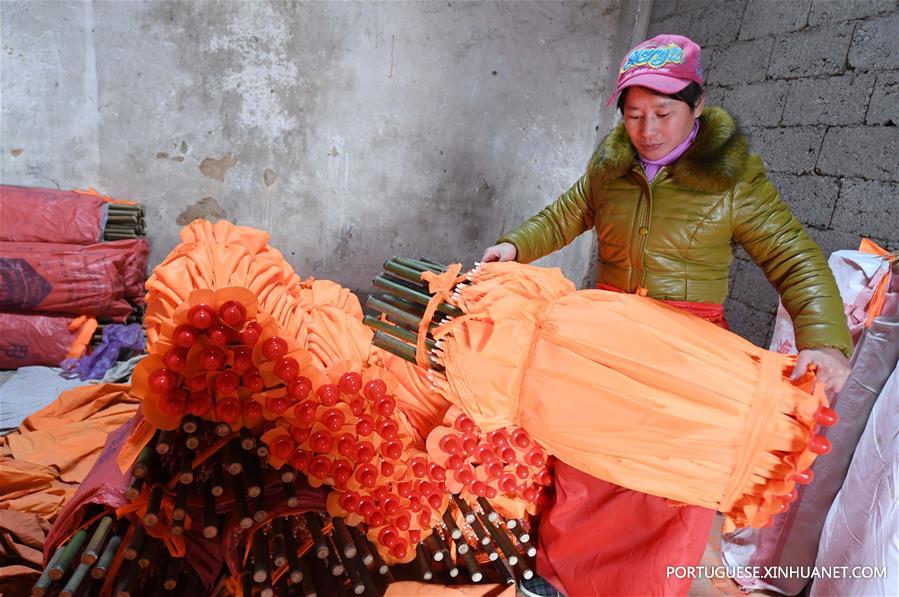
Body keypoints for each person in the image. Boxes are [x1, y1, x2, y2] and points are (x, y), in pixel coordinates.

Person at [481, 34, 852, 596]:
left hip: (688, 347)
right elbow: (564, 215)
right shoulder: (611, 169)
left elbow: (792, 255)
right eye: (633, 115)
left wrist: (823, 338)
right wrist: (514, 247)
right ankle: (559, 577)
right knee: (586, 459)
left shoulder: (733, 181)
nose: (647, 131)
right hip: (607, 338)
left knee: (665, 482)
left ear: (697, 105)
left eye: (662, 113)